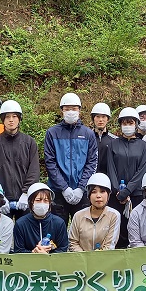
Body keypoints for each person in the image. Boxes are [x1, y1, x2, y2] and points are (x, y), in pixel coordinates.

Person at [44, 92, 98, 225]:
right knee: (57, 230)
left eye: (74, 109)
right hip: (58, 192)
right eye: (67, 109)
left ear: (79, 110)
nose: (70, 112)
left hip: (82, 193)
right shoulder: (52, 133)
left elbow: (92, 163)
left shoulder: (88, 134)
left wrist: (81, 187)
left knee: (83, 230)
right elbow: (50, 162)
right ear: (62, 110)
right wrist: (64, 188)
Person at [0, 100, 40, 220]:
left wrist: (26, 193)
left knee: (25, 234)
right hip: (2, 198)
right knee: (2, 235)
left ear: (19, 119)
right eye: (7, 117)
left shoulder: (29, 142)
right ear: (2, 120)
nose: (11, 120)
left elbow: (34, 170)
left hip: (24, 199)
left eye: (14, 116)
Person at [107, 107, 146, 249]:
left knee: (135, 228)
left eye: (130, 122)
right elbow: (111, 168)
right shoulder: (113, 144)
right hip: (116, 196)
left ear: (136, 124)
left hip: (136, 195)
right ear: (120, 124)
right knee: (117, 228)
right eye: (124, 122)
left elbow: (141, 171)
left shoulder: (143, 145)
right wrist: (117, 191)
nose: (127, 125)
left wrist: (128, 191)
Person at [68, 173, 121, 251]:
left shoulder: (114, 215)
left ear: (108, 195)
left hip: (105, 260)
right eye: (94, 192)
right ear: (89, 195)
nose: (98, 196)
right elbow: (73, 242)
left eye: (102, 191)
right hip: (81, 260)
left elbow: (110, 245)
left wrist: (97, 258)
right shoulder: (78, 216)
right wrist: (86, 258)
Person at [13, 183, 69, 253]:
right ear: (31, 202)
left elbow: (63, 249)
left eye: (46, 200)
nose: (42, 203)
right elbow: (18, 250)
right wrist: (33, 253)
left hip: (53, 263)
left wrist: (47, 256)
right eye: (38, 200)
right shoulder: (21, 224)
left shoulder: (59, 223)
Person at [91, 102, 116, 174]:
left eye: (103, 117)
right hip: (89, 179)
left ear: (108, 119)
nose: (100, 120)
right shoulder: (87, 138)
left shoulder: (114, 140)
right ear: (93, 119)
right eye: (97, 116)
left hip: (108, 180)